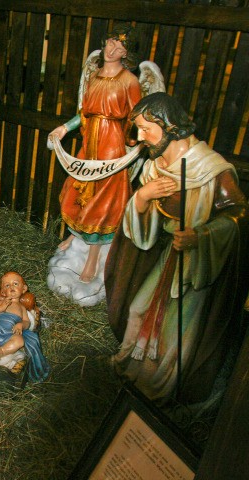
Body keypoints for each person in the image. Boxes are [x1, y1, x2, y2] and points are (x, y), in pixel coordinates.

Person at [105, 92, 249, 405]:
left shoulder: (212, 169)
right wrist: (143, 197)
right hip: (168, 255)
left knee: (175, 333)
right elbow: (142, 226)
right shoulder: (156, 166)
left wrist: (202, 235)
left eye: (145, 129)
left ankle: (160, 392)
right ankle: (135, 372)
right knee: (139, 310)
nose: (139, 137)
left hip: (197, 264)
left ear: (168, 126)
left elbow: (239, 213)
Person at [49, 24, 142, 285]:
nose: (112, 49)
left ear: (126, 53)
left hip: (111, 147)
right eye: (110, 42)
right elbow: (84, 113)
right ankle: (76, 235)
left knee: (103, 201)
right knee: (76, 191)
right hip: (89, 146)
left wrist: (138, 143)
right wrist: (64, 127)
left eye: (120, 46)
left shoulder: (130, 81)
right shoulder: (94, 77)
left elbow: (137, 117)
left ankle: (92, 258)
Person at [0, 271, 50, 383]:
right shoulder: (2, 302)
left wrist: (21, 325)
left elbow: (27, 322)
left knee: (20, 341)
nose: (11, 287)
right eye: (7, 285)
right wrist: (1, 308)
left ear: (24, 289)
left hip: (10, 333)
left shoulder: (21, 308)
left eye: (15, 284)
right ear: (2, 292)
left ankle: (0, 352)